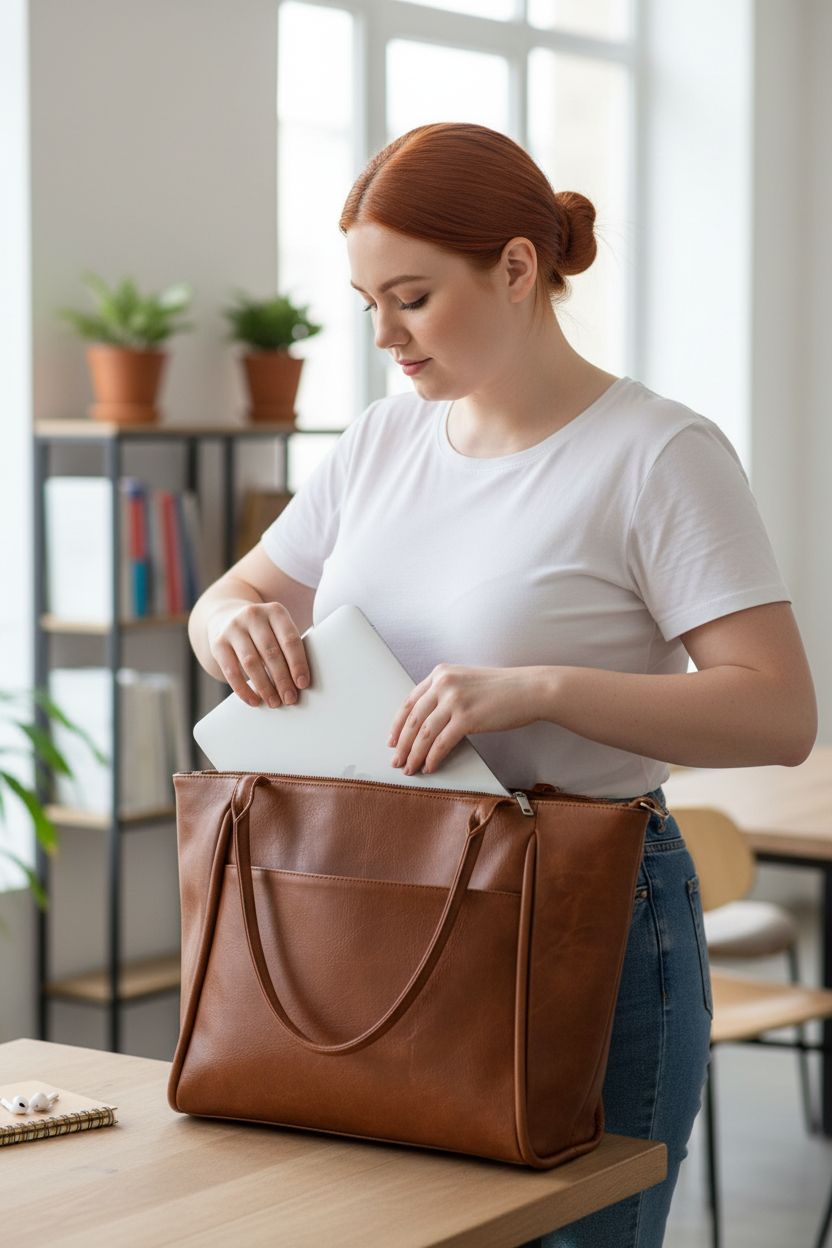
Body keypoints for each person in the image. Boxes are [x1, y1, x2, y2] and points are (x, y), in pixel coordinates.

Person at [188, 122, 817, 1247]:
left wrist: (537, 688)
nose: (382, 335)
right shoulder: (382, 440)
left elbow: (775, 711)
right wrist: (228, 619)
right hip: (370, 903)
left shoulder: (657, 454)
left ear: (518, 268)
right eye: (366, 300)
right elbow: (231, 598)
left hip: (582, 912)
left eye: (413, 297)